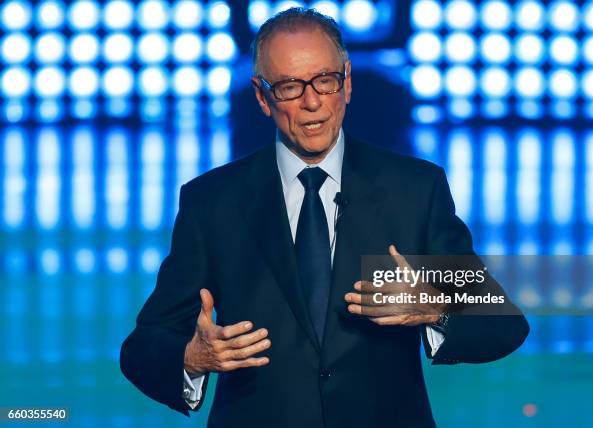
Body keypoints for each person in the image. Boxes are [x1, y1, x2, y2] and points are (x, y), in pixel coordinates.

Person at [120, 8, 529, 428]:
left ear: (347, 83)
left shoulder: (412, 192)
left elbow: (503, 324)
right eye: (289, 87)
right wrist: (193, 358)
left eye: (325, 81)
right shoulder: (213, 202)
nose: (312, 101)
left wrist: (437, 308)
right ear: (262, 97)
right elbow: (143, 347)